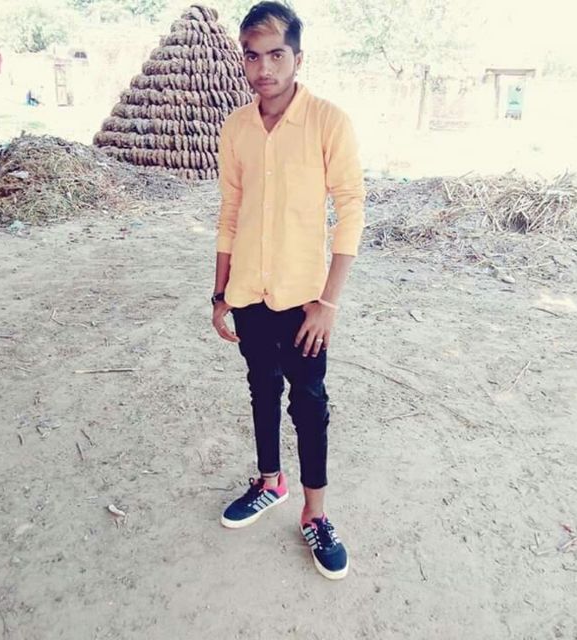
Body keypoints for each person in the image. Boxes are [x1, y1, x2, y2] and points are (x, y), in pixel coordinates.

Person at [212, 1, 365, 580]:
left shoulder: (328, 122)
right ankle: (269, 482)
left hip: (304, 301)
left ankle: (315, 514)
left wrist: (328, 303)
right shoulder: (236, 128)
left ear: (298, 57)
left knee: (309, 403)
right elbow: (230, 212)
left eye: (276, 55)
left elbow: (351, 210)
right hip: (249, 291)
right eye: (253, 57)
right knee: (261, 386)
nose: (264, 69)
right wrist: (220, 293)